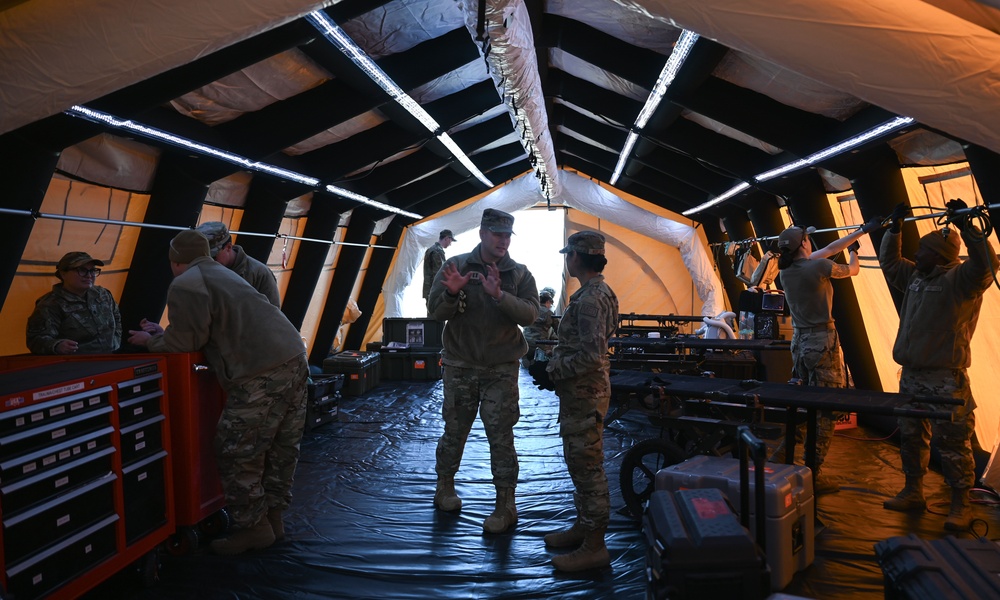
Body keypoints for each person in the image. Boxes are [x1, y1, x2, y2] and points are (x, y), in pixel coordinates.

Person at [127, 230, 308, 554]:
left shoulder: (185, 282)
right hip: (293, 356)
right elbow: (213, 324)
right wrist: (164, 332)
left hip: (259, 371)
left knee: (236, 450)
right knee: (281, 446)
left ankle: (253, 528)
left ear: (174, 261)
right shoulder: (222, 273)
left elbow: (186, 343)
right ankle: (274, 520)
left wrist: (150, 341)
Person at [879, 200, 998, 531]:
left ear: (939, 255)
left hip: (945, 379)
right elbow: (889, 263)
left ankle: (960, 503)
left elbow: (986, 264)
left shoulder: (961, 281)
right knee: (911, 436)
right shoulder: (916, 276)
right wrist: (894, 228)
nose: (916, 256)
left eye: (923, 251)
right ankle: (913, 491)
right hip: (912, 376)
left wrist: (967, 227)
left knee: (954, 443)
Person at [426, 209, 539, 534]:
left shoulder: (518, 273)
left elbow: (531, 315)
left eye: (507, 235)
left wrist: (500, 295)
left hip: (501, 369)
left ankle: (506, 505)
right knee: (454, 431)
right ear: (483, 233)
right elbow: (435, 313)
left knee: (501, 437)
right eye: (497, 234)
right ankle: (444, 488)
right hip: (460, 366)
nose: (503, 241)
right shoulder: (456, 266)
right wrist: (451, 292)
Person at [776, 218, 879, 494]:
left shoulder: (786, 271)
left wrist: (860, 231)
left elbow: (830, 248)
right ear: (804, 244)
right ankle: (814, 474)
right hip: (822, 342)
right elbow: (852, 270)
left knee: (802, 402)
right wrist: (856, 250)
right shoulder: (818, 267)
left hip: (800, 342)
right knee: (827, 410)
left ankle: (783, 456)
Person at [539, 231, 619, 573]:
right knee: (578, 461)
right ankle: (584, 526)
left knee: (587, 466)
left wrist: (552, 370)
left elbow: (591, 356)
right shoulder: (600, 292)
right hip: (583, 392)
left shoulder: (588, 299)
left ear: (575, 257)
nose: (566, 260)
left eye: (567, 254)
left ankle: (595, 545)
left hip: (584, 393)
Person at [26, 251, 121, 355]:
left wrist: (116, 342)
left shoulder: (103, 294)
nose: (89, 275)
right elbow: (35, 340)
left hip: (111, 358)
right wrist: (57, 345)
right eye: (82, 270)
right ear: (63, 274)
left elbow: (117, 318)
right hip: (77, 364)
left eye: (92, 270)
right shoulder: (50, 304)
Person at [197, 221, 281, 307]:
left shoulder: (259, 274)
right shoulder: (197, 268)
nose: (209, 261)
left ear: (229, 247)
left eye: (213, 256)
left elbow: (273, 314)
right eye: (204, 257)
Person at [521, 287, 556, 368]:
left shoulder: (530, 310)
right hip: (541, 345)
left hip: (525, 342)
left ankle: (527, 361)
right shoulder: (549, 313)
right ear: (548, 301)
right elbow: (559, 330)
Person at [423, 229, 456, 315]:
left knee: (432, 317)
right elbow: (439, 274)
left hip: (430, 289)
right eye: (451, 240)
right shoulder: (437, 251)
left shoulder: (432, 249)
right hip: (435, 290)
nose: (450, 244)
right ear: (447, 238)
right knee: (435, 317)